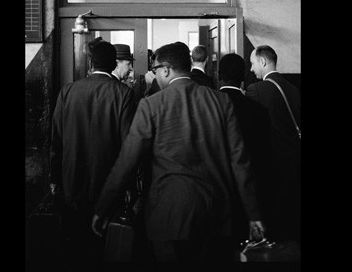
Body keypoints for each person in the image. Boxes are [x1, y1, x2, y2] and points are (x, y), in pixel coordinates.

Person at [91, 42, 265, 262]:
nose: (155, 76)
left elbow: (128, 161)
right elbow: (240, 162)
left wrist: (104, 207)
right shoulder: (221, 101)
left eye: (155, 71)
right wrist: (254, 214)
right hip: (216, 215)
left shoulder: (151, 105)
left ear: (165, 69)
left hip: (169, 216)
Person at [49, 38, 137, 266]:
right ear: (112, 65)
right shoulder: (123, 94)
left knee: (74, 248)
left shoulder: (68, 91)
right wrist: (129, 186)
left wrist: (55, 177)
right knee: (106, 250)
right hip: (108, 185)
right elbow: (129, 144)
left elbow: (56, 139)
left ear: (91, 63)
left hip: (72, 182)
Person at [246, 45, 301, 243]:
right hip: (294, 163)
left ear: (263, 61)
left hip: (273, 166)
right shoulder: (293, 89)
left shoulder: (257, 90)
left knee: (275, 223)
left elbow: (254, 132)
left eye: (253, 63)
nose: (251, 69)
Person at [218, 53, 273, 245]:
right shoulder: (259, 111)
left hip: (218, 194)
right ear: (243, 77)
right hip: (251, 193)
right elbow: (267, 158)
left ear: (219, 75)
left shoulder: (211, 107)